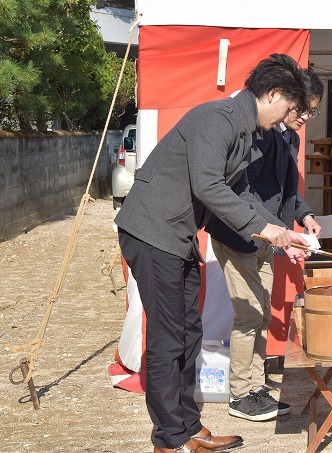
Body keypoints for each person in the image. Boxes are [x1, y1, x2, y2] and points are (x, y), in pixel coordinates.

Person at [115, 54, 311, 453]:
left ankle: (187, 426)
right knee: (170, 338)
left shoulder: (243, 129)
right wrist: (267, 228)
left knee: (189, 332)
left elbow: (237, 192)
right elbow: (208, 185)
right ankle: (169, 440)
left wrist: (281, 232)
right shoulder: (216, 118)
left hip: (177, 237)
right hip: (152, 232)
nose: (288, 119)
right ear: (272, 94)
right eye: (290, 109)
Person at [206, 69, 324, 422]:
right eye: (302, 109)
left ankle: (255, 385)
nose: (304, 117)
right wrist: (271, 228)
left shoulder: (290, 138)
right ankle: (240, 394)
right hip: (238, 233)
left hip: (269, 238)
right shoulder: (257, 134)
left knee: (261, 312)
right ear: (284, 99)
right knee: (249, 314)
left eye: (312, 112)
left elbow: (288, 191)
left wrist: (304, 216)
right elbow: (244, 190)